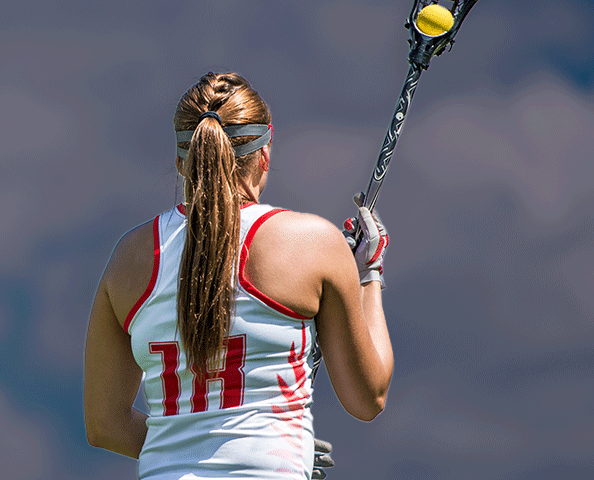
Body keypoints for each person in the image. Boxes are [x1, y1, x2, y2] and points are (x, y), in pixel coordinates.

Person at [83, 72, 393, 479]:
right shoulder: (314, 243)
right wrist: (370, 274)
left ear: (181, 162)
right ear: (264, 156)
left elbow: (105, 424)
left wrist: (194, 445)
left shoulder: (129, 256)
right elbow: (367, 396)